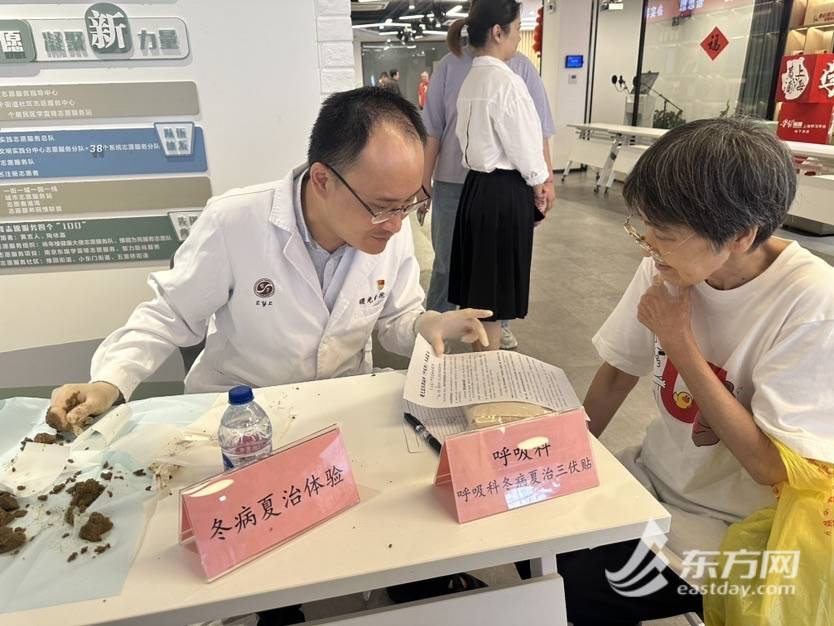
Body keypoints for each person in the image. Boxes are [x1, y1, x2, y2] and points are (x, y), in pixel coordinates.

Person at [46, 87, 492, 433]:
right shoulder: (235, 221)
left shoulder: (387, 229)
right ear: (322, 179)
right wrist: (110, 381)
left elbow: (394, 319)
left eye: (408, 204)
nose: (397, 224)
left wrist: (423, 324)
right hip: (239, 414)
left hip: (342, 408)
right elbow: (168, 316)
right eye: (382, 206)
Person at [552, 118, 834, 624]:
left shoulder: (812, 302)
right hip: (654, 480)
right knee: (546, 544)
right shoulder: (670, 265)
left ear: (742, 235)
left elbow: (772, 468)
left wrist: (680, 344)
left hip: (736, 527)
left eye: (664, 235)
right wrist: (563, 465)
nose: (648, 247)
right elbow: (619, 371)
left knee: (578, 585)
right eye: (646, 230)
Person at [419, 3, 556, 350]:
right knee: (494, 288)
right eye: (516, 28)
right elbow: (526, 143)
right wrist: (540, 181)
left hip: (476, 187)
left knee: (477, 279)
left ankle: (473, 348)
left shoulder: (472, 77)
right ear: (498, 32)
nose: (518, 37)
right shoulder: (506, 81)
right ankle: (488, 370)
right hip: (503, 188)